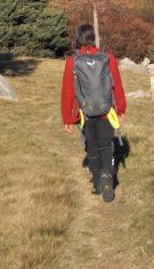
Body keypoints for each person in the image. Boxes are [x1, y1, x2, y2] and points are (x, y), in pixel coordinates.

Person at [60, 24, 126, 202]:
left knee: (93, 148)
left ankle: (98, 184)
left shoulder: (73, 61)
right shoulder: (107, 58)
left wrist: (67, 118)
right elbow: (116, 85)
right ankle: (107, 174)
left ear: (78, 39)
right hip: (106, 111)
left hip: (85, 114)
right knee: (106, 146)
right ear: (93, 39)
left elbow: (68, 92)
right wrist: (120, 108)